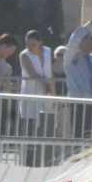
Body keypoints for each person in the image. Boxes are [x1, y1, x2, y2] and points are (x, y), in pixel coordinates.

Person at [19, 29, 55, 166]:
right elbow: (32, 74)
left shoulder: (47, 51)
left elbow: (50, 73)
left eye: (33, 44)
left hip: (44, 96)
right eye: (27, 44)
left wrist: (53, 94)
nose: (29, 47)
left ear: (40, 43)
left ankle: (41, 162)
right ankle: (27, 163)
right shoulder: (24, 55)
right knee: (29, 129)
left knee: (44, 129)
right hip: (29, 95)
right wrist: (47, 84)